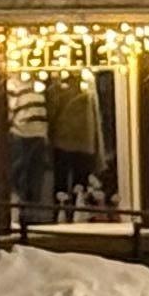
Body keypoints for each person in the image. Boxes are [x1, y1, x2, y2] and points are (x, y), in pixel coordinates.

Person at [44, 68, 100, 219]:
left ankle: (59, 215)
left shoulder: (60, 86)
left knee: (61, 182)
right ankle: (77, 215)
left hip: (63, 139)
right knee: (80, 183)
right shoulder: (87, 83)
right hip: (85, 141)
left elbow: (52, 110)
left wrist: (50, 132)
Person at [6, 77, 53, 229]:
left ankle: (31, 214)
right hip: (21, 134)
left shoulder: (38, 83)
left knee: (34, 175)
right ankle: (19, 213)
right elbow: (10, 109)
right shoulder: (13, 83)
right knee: (20, 173)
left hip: (38, 133)